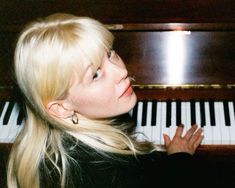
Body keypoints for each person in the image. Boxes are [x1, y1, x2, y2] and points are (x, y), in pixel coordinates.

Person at [7, 13, 204, 188]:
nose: (122, 71)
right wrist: (180, 159)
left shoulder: (43, 148)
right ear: (60, 108)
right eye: (95, 74)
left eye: (110, 53)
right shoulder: (113, 176)